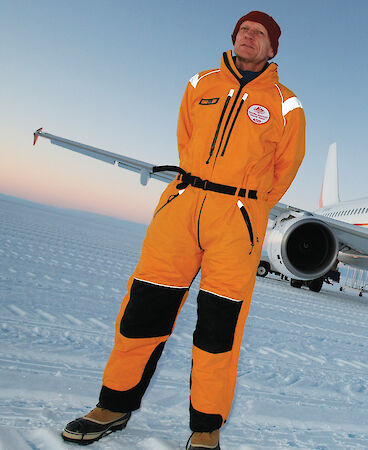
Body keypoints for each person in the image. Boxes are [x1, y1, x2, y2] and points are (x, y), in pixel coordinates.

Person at [61, 11, 305, 449]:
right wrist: (198, 187)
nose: (249, 37)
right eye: (243, 31)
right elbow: (186, 138)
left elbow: (283, 170)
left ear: (273, 49)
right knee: (142, 312)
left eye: (260, 34)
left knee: (219, 327)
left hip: (236, 222)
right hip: (181, 206)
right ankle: (112, 405)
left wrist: (245, 207)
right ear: (234, 38)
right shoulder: (200, 83)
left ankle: (206, 428)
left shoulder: (287, 105)